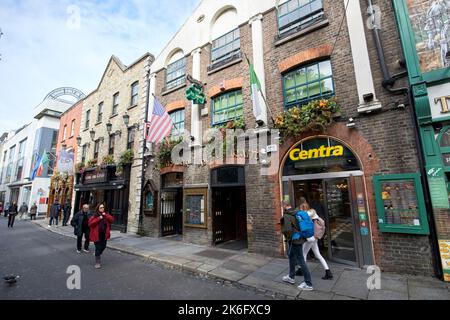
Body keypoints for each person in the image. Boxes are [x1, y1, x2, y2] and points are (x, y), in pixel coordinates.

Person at [281, 201, 313, 291]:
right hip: (300, 238)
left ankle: (308, 283)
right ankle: (291, 277)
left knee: (301, 260)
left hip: (295, 240)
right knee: (291, 255)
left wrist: (288, 237)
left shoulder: (287, 215)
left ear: (284, 206)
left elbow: (287, 229)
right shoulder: (296, 212)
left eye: (282, 206)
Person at [301, 201, 333, 280]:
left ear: (303, 208)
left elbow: (305, 216)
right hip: (314, 238)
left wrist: (299, 213)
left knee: (303, 254)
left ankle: (303, 272)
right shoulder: (312, 212)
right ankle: (328, 272)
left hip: (311, 237)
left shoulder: (310, 213)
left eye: (301, 208)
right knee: (318, 255)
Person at [88, 203, 114, 269]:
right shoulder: (95, 215)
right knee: (98, 247)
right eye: (100, 207)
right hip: (96, 234)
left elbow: (112, 220)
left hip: (104, 234)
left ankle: (98, 253)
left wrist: (106, 215)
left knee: (104, 246)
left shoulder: (106, 214)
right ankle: (97, 262)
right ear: (98, 208)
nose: (102, 209)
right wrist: (99, 218)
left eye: (103, 207)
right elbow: (90, 223)